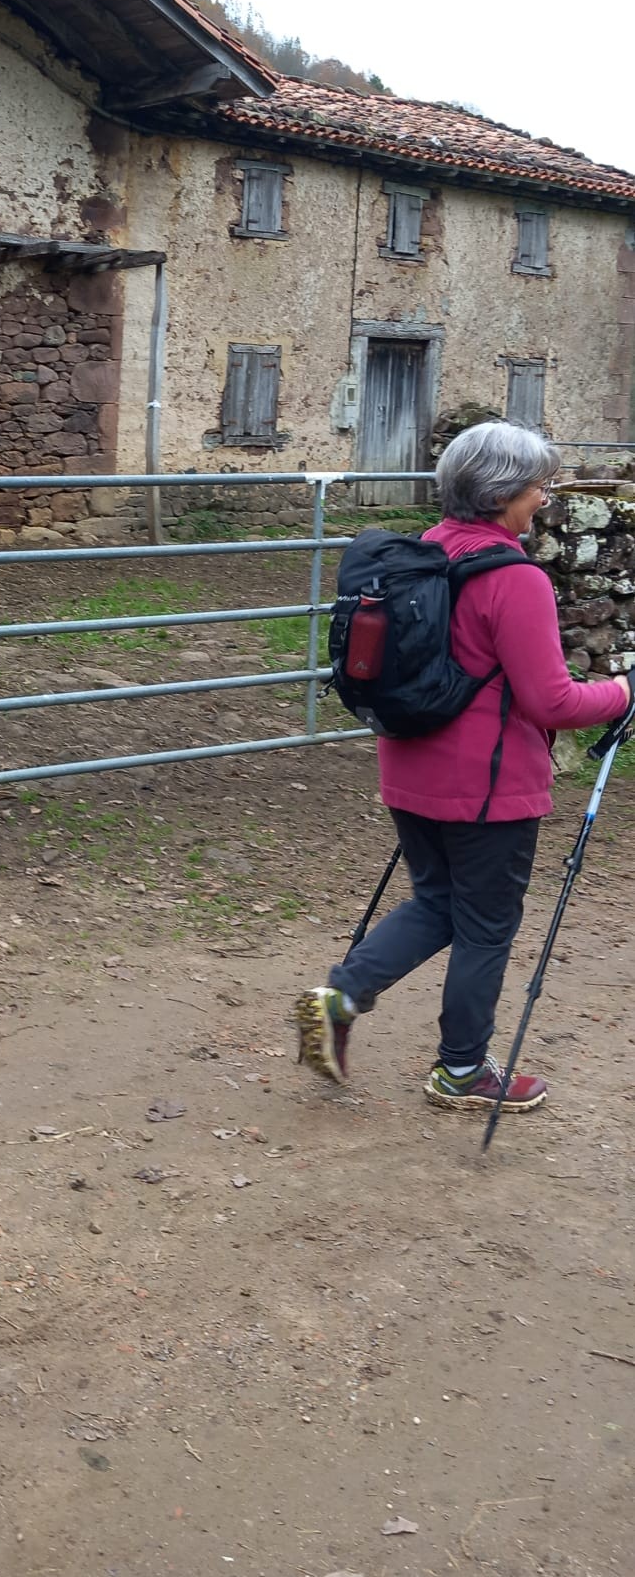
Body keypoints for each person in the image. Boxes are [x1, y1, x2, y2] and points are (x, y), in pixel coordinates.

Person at [295, 421, 631, 1113]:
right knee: (484, 926)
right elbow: (553, 701)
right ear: (504, 491)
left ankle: (336, 999)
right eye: (540, 484)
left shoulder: (424, 554)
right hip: (490, 788)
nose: (545, 496)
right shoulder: (516, 579)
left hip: (409, 765)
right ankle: (461, 1071)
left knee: (439, 903)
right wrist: (625, 692)